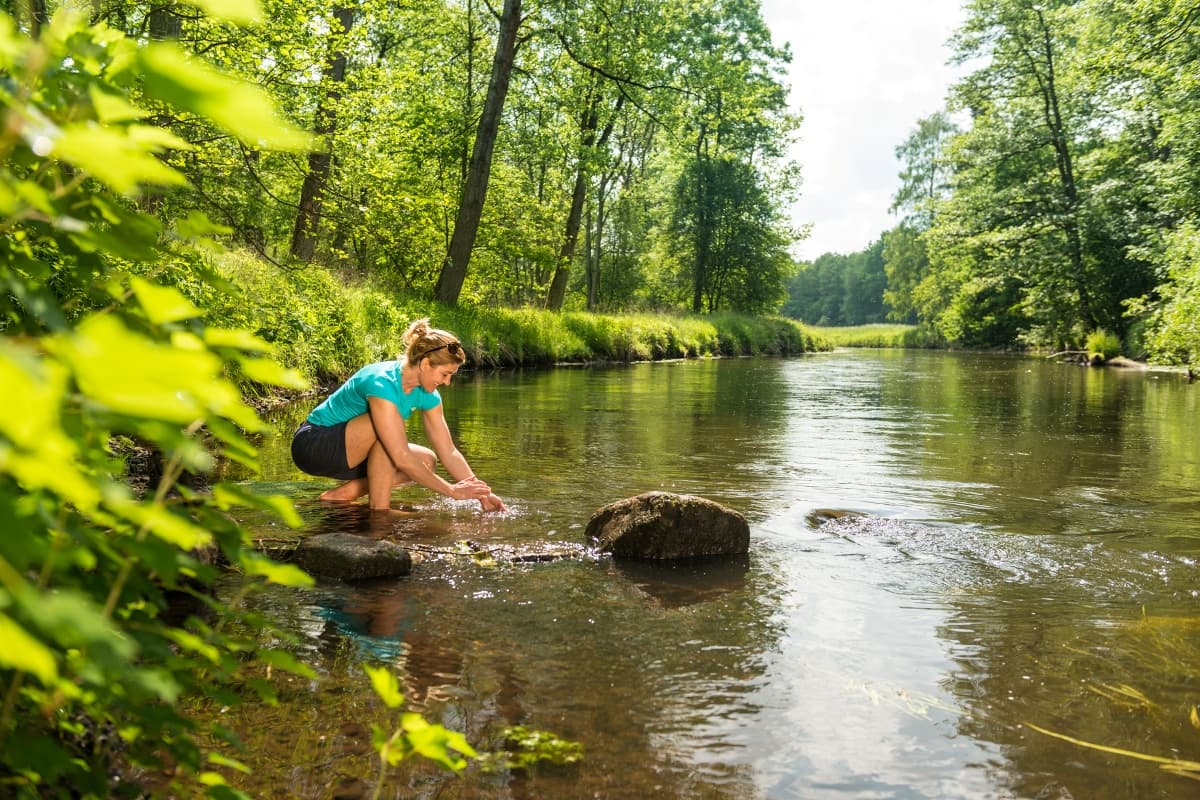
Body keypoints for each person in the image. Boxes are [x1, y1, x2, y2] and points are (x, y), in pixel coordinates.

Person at [291, 318, 506, 512]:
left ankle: (340, 497)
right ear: (425, 364)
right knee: (389, 436)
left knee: (426, 461)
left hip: (351, 453)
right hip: (313, 446)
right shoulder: (381, 382)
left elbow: (448, 451)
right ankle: (380, 513)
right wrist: (452, 490)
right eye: (445, 374)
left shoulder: (428, 395)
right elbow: (400, 454)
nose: (447, 382)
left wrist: (483, 494)